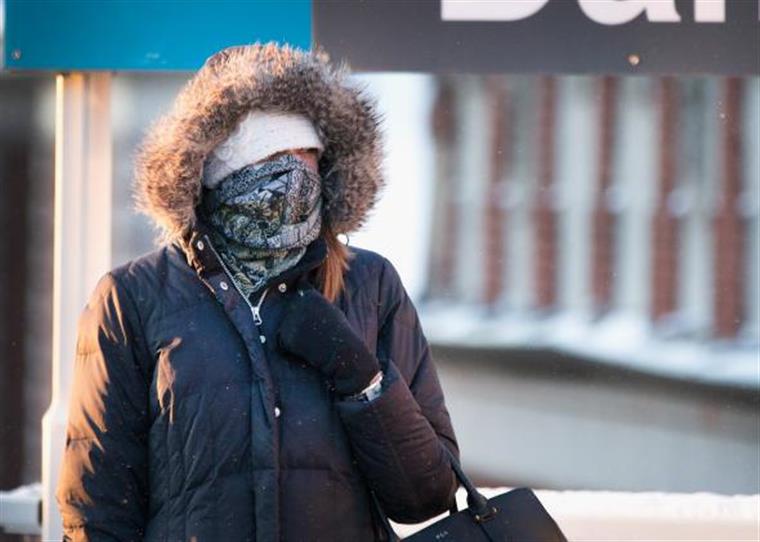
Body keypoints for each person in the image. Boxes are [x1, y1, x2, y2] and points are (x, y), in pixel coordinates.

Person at [55, 42, 460, 541]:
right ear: (220, 166)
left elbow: (428, 494)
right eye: (274, 155)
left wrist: (362, 379)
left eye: (307, 154)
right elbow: (98, 511)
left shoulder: (369, 286)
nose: (297, 175)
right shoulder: (133, 298)